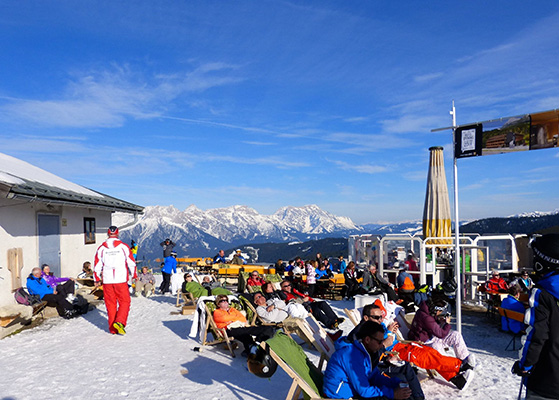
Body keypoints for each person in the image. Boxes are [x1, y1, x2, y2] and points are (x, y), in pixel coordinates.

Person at [348, 304, 474, 390]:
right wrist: (390, 333)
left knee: (433, 354)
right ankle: (461, 365)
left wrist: (389, 330)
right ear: (366, 318)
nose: (381, 320)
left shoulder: (377, 326)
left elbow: (387, 337)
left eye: (381, 317)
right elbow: (378, 347)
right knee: (427, 357)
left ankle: (457, 380)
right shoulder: (364, 332)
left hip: (402, 345)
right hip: (393, 353)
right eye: (377, 317)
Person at [512, 234, 559, 399]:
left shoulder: (542, 293)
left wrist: (525, 365)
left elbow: (536, 335)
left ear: (543, 262)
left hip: (548, 379)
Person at [323, 320, 414, 400]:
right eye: (379, 342)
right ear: (367, 339)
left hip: (352, 388)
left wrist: (394, 383)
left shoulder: (365, 352)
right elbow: (364, 390)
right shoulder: (351, 355)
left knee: (394, 391)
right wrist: (392, 393)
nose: (382, 344)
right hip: (339, 394)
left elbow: (373, 377)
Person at [94, 226, 137, 335]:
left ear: (108, 234)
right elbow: (131, 262)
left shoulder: (101, 248)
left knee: (110, 304)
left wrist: (97, 278)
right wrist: (134, 275)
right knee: (125, 301)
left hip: (107, 280)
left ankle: (113, 329)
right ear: (117, 234)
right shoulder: (124, 247)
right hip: (121, 279)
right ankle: (120, 322)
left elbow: (97, 264)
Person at [408, 299, 476, 369]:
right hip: (423, 343)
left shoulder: (426, 312)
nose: (440, 313)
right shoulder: (426, 317)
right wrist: (447, 324)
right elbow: (441, 334)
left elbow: (431, 326)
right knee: (437, 346)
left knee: (456, 335)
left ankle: (464, 360)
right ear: (435, 310)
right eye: (440, 311)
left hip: (430, 338)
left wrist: (439, 321)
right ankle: (451, 368)